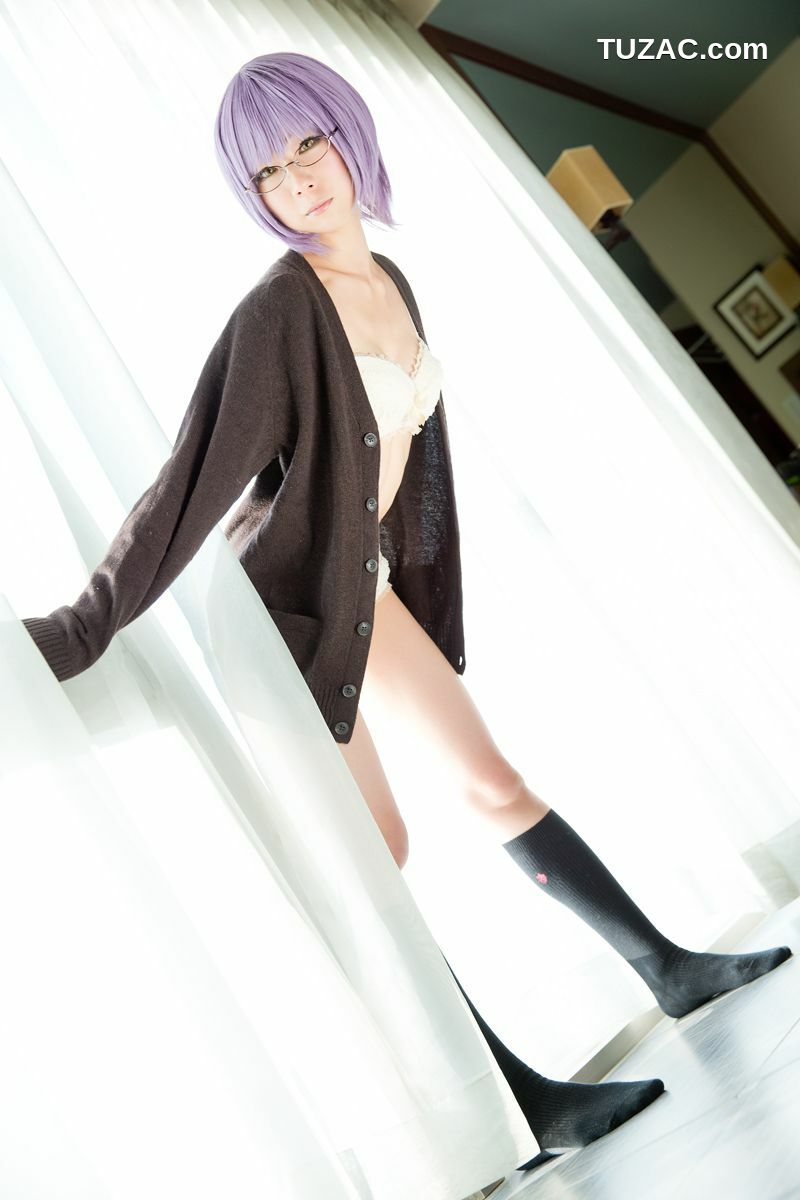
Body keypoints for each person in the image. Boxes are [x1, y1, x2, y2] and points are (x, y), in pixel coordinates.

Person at [22, 50, 791, 1183]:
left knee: (491, 782)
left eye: (308, 146)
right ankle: (521, 1103)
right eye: (267, 170)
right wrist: (81, 627)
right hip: (281, 615)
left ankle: (666, 969)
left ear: (348, 136)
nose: (296, 179)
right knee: (379, 850)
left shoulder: (389, 279)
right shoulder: (278, 313)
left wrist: (419, 587)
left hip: (360, 587)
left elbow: (412, 465)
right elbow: (188, 483)